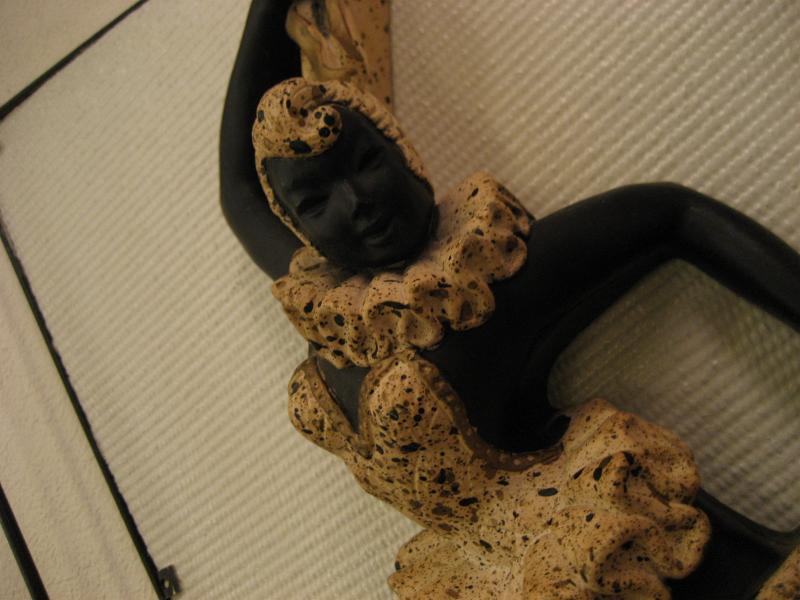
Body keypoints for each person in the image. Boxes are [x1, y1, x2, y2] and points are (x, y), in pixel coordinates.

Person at [220, 2, 800, 597]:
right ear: (299, 228)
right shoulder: (331, 308)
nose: (355, 202)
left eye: (368, 163)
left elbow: (674, 214)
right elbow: (239, 190)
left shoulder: (475, 281)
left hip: (595, 546)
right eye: (316, 204)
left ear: (403, 153)